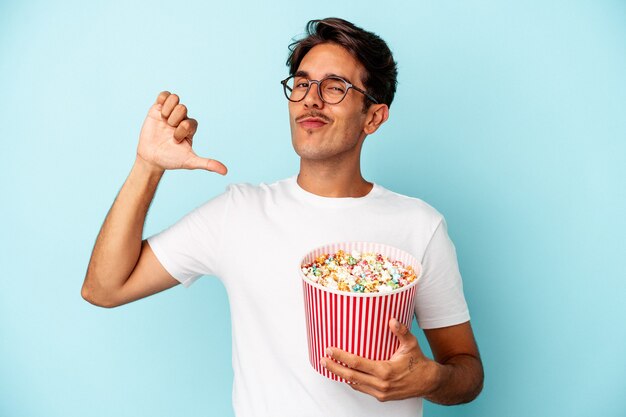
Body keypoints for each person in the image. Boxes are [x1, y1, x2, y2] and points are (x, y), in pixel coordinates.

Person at [82, 17, 483, 417]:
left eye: (334, 87)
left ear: (373, 117)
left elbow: (467, 370)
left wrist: (430, 378)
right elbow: (104, 289)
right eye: (303, 84)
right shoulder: (238, 214)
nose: (311, 99)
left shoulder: (419, 224)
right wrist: (147, 166)